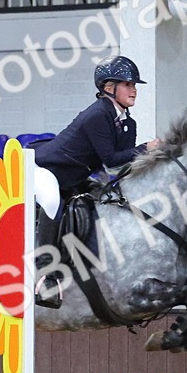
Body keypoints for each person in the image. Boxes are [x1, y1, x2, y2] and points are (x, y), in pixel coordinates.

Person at [32, 55, 160, 307]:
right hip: (46, 170)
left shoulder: (127, 122)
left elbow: (123, 163)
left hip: (73, 176)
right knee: (51, 202)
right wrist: (147, 147)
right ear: (108, 87)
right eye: (127, 84)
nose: (133, 90)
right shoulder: (97, 114)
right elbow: (111, 159)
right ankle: (45, 273)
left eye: (134, 85)